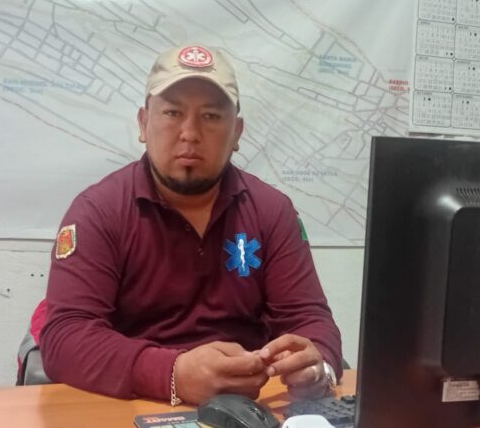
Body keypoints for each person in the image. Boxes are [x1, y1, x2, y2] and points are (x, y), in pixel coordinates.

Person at [40, 45, 342, 405]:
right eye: (172, 112)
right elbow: (65, 337)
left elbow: (308, 318)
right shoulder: (98, 211)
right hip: (137, 403)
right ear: (143, 123)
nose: (190, 133)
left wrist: (318, 365)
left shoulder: (272, 211)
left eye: (211, 116)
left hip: (249, 406)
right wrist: (173, 374)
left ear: (237, 133)